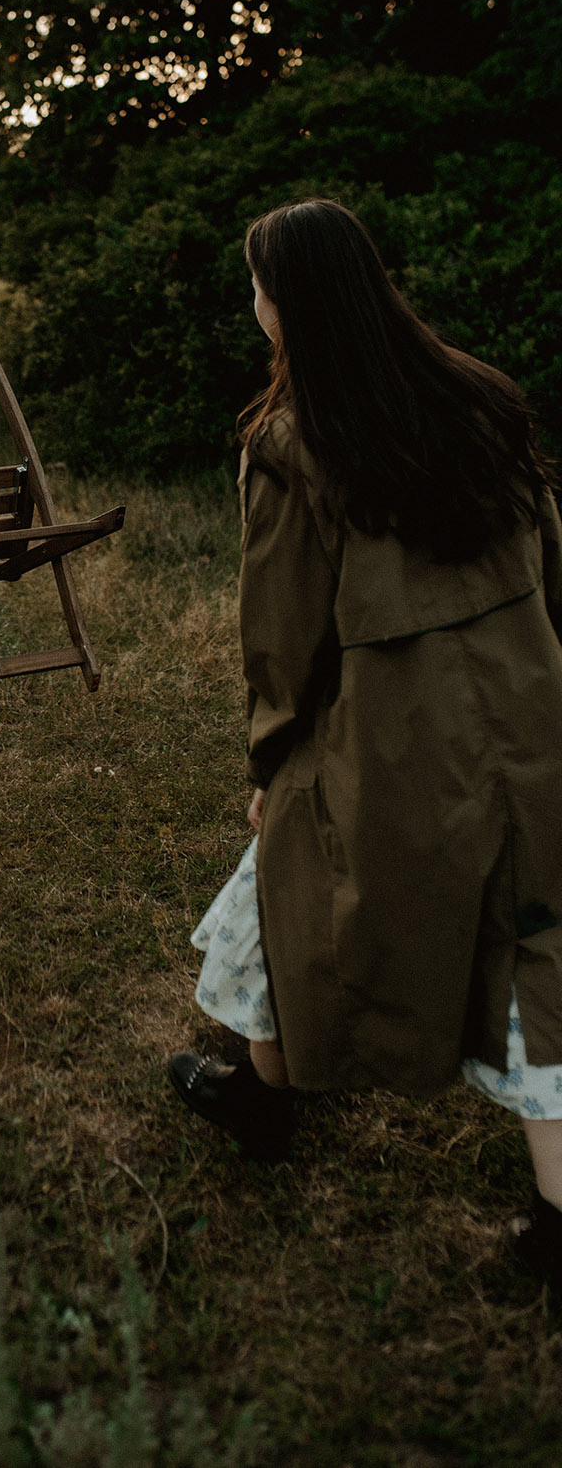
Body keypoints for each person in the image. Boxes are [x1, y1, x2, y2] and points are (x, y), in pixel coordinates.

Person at [167, 198, 562, 1290]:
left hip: (393, 741)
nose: (254, 307)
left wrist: (271, 762)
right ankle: (263, 1091)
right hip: (533, 715)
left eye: (257, 288)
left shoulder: (292, 444)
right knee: (534, 944)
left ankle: (266, 1097)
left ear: (285, 302)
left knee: (297, 872)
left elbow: (282, 641)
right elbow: (552, 551)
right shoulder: (481, 394)